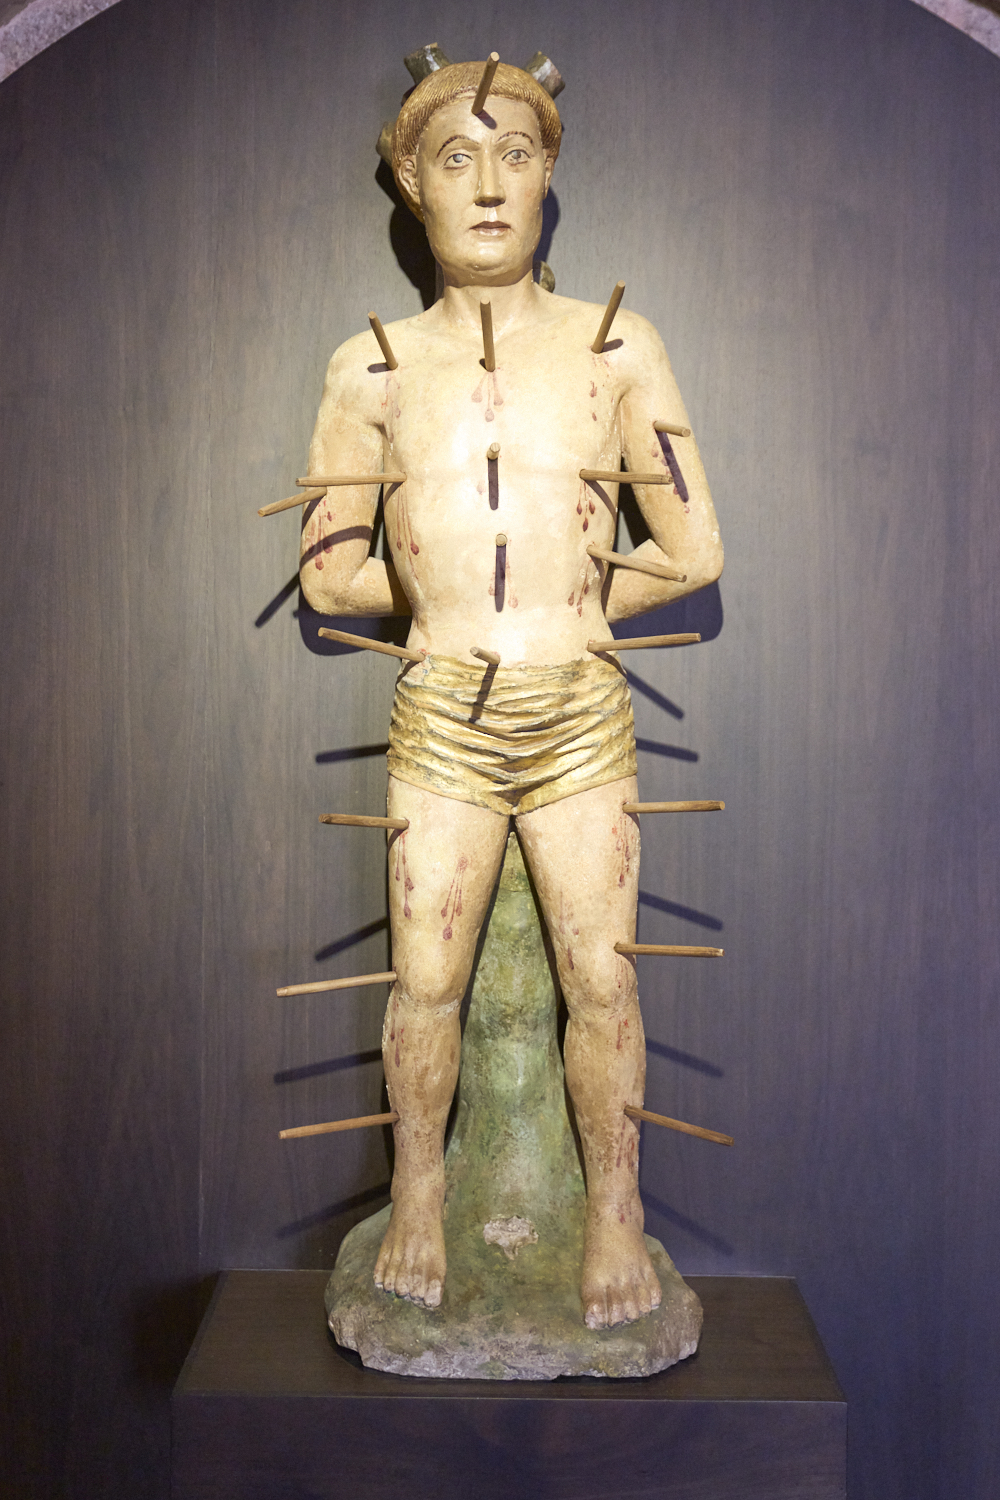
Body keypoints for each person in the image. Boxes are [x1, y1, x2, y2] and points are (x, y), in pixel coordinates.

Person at [299, 60, 723, 1330]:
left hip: (577, 707)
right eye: (454, 159)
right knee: (425, 979)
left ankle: (614, 1211)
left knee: (604, 981)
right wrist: (445, 595)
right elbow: (326, 573)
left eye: (516, 155)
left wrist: (569, 601)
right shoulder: (370, 368)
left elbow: (693, 548)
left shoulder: (616, 344)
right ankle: (419, 1195)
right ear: (410, 185)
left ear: (548, 175)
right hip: (443, 708)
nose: (488, 185)